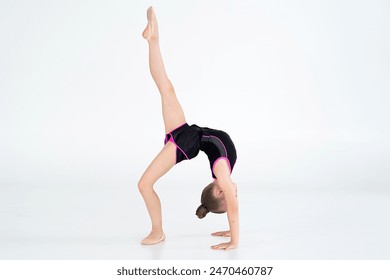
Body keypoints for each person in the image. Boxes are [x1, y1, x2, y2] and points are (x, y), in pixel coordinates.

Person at [138, 6, 239, 250]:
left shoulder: (222, 171)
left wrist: (234, 240)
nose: (236, 194)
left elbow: (233, 209)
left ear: (219, 192)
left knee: (144, 184)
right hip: (186, 133)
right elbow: (232, 208)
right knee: (165, 86)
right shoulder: (222, 173)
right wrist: (230, 230)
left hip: (186, 142)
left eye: (230, 196)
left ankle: (157, 231)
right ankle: (153, 40)